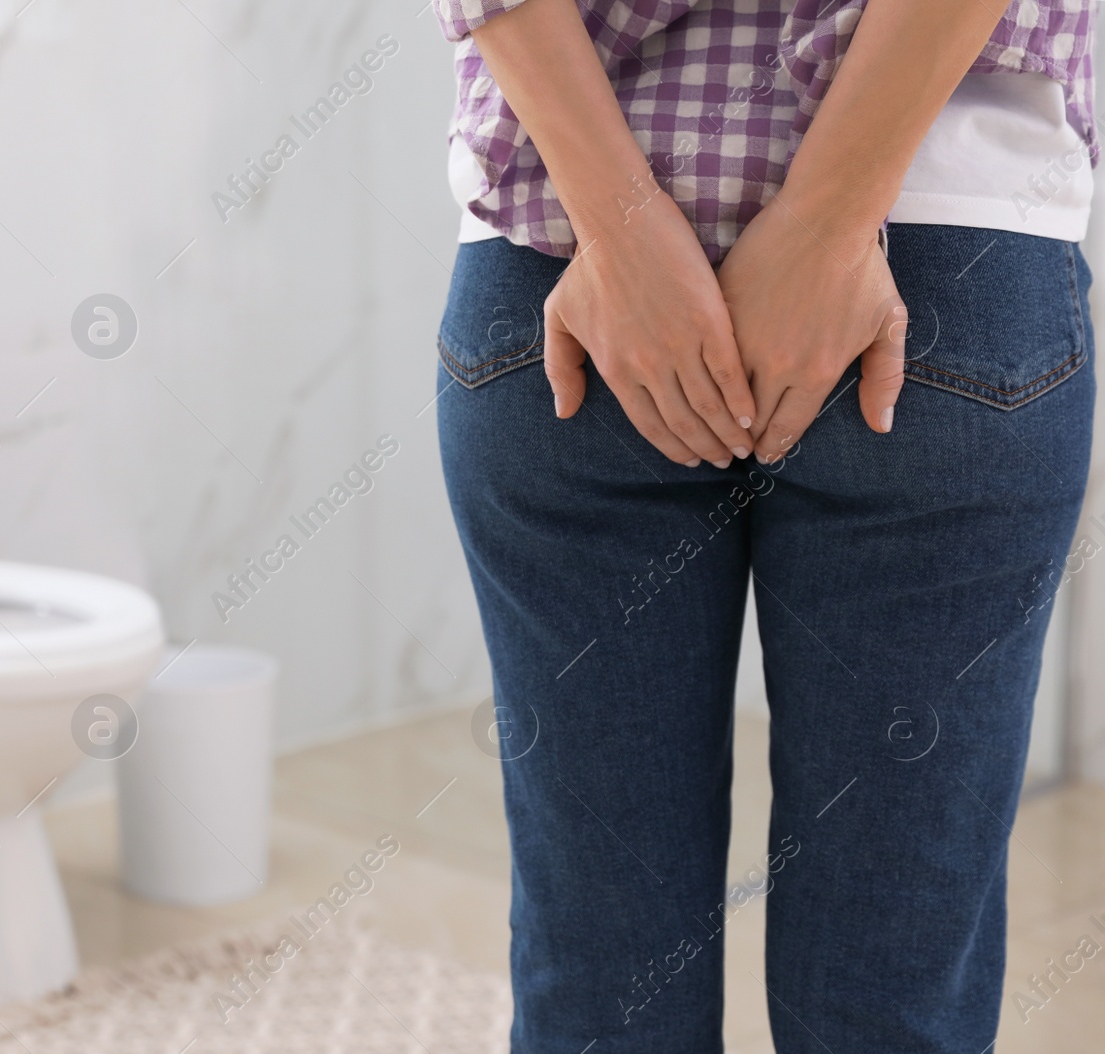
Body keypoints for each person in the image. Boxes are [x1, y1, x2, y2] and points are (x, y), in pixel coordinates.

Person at [431, 0, 1096, 1049]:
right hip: (945, 251)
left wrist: (625, 228)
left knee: (600, 987)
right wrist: (827, 223)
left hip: (571, 266)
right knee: (892, 997)